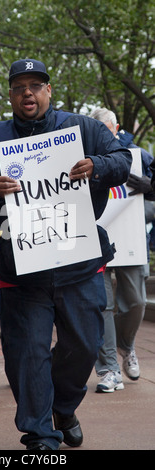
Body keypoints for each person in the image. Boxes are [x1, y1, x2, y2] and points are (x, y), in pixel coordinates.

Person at [0, 59, 132, 451]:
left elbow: (123, 161)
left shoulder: (82, 128)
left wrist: (96, 165)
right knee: (27, 353)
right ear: (11, 95)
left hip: (78, 264)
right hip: (22, 271)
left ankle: (64, 408)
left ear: (49, 91)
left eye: (35, 86)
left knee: (85, 345)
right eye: (19, 87)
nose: (27, 93)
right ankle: (40, 436)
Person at [90, 107, 154, 392]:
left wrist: (149, 188)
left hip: (132, 241)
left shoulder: (140, 157)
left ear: (117, 129)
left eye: (107, 130)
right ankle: (108, 369)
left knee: (136, 301)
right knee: (102, 304)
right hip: (95, 243)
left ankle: (125, 346)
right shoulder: (82, 158)